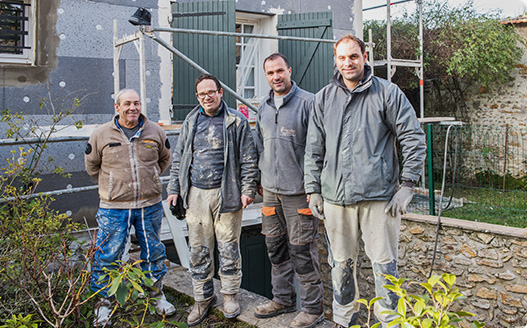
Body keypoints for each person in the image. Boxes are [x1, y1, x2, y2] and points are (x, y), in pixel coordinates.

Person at [304, 34, 426, 328]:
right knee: (340, 266)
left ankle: (391, 323)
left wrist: (407, 184)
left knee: (385, 267)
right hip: (336, 200)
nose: (348, 63)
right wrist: (313, 189)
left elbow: (413, 138)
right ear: (335, 60)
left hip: (378, 198)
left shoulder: (387, 93)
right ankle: (344, 320)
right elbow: (313, 147)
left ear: (365, 57)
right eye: (342, 58)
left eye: (353, 56)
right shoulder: (323, 98)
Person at [166, 74, 258, 326]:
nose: (207, 97)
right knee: (198, 249)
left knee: (228, 246)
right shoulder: (191, 121)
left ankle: (229, 295)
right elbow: (180, 157)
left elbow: (249, 159)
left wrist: (248, 189)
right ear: (197, 97)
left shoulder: (236, 121)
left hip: (227, 192)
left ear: (220, 92)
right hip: (196, 193)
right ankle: (202, 298)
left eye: (211, 92)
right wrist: (174, 188)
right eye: (201, 94)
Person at [85, 88, 175, 325]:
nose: (132, 108)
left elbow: (164, 159)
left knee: (154, 252)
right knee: (108, 255)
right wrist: (114, 186)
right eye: (127, 104)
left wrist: (151, 180)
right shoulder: (101, 134)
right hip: (114, 207)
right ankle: (102, 304)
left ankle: (156, 297)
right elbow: (92, 166)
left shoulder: (154, 131)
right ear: (117, 107)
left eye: (136, 103)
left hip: (149, 205)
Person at [253, 53, 324, 328]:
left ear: (289, 70)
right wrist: (261, 176)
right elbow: (259, 144)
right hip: (270, 192)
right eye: (270, 73)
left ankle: (312, 308)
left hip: (299, 193)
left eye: (280, 71)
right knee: (275, 247)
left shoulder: (308, 102)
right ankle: (282, 298)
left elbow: (321, 148)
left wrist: (314, 185)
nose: (276, 77)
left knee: (302, 251)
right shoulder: (264, 107)